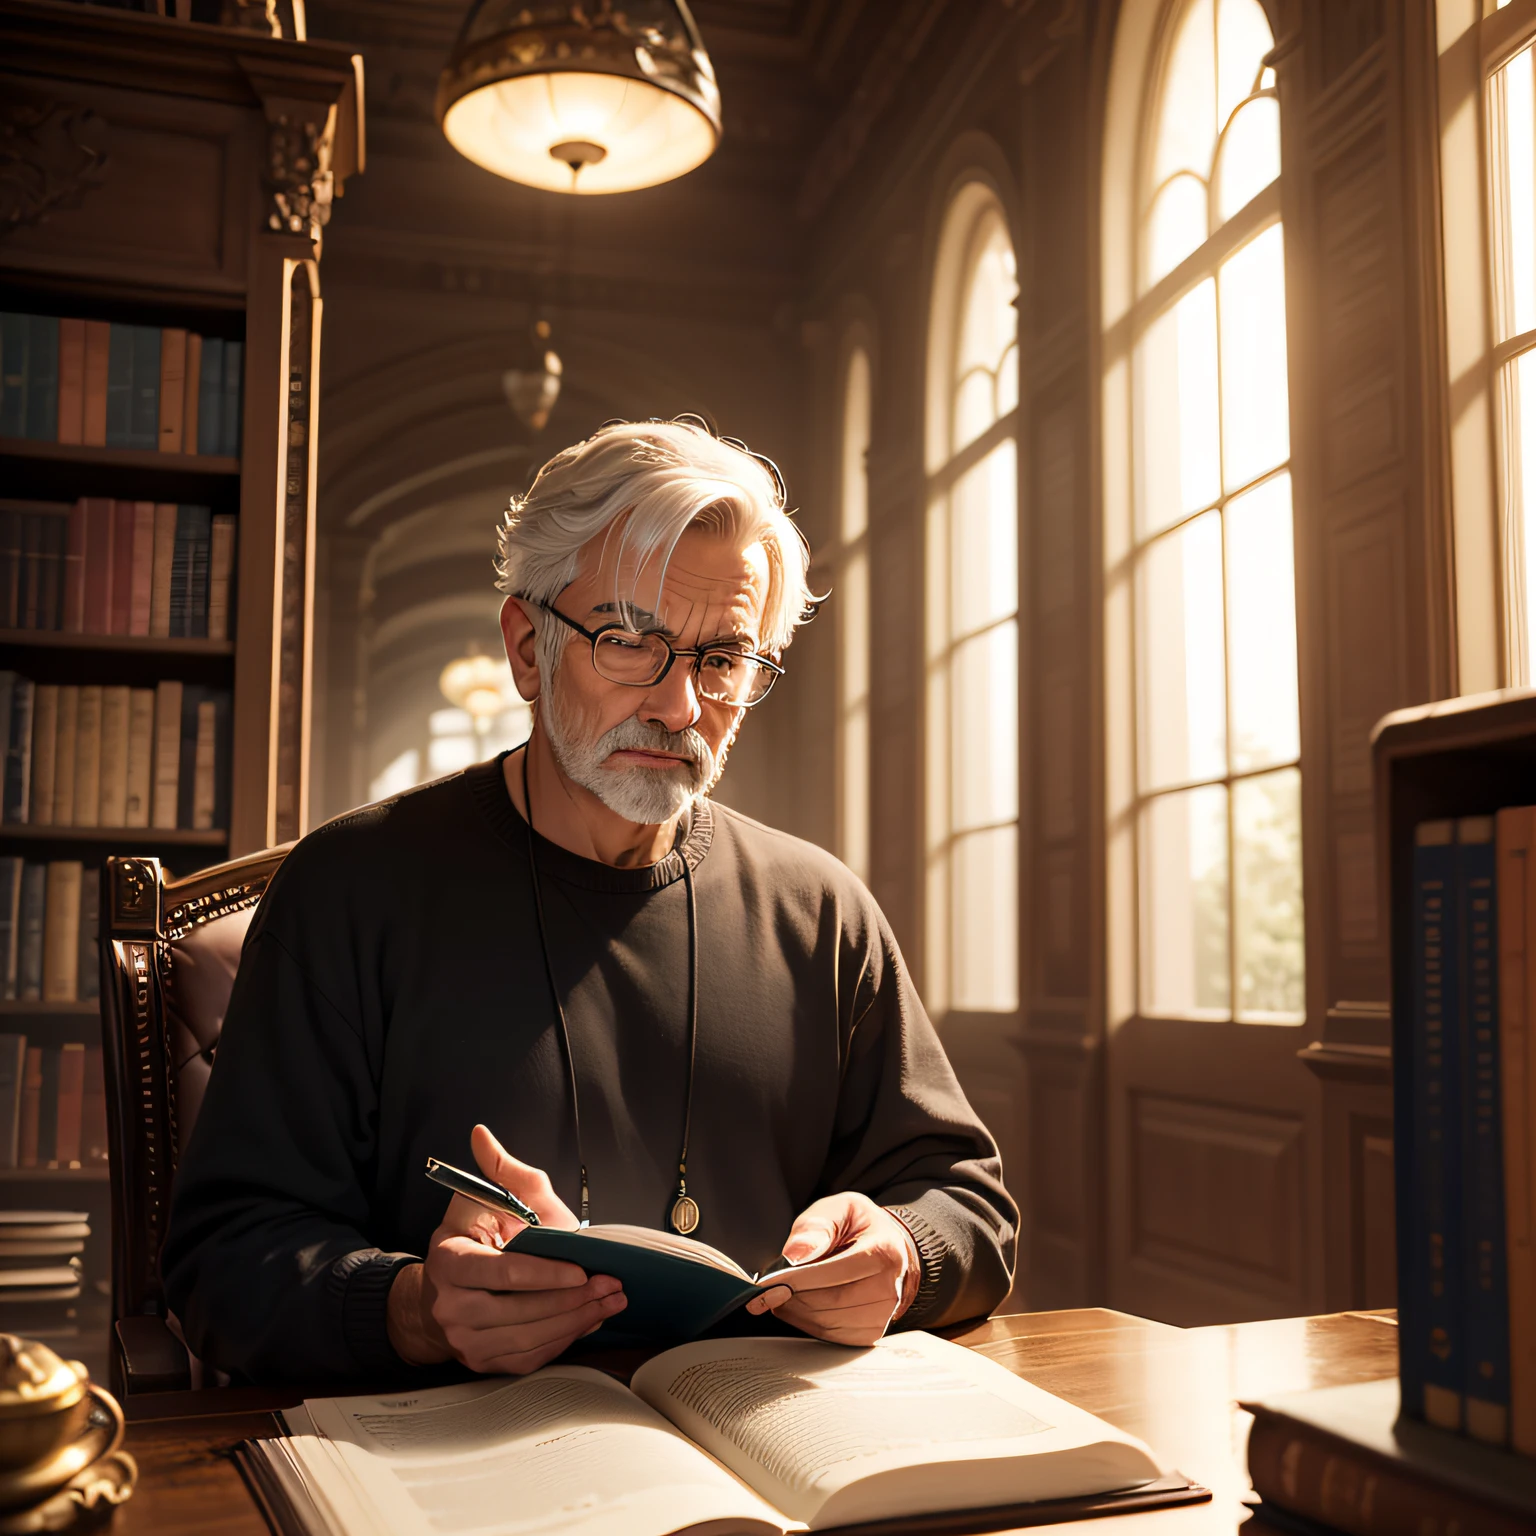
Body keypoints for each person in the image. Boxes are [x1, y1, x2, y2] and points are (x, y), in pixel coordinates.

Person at [162, 417, 1017, 1383]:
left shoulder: (821, 911)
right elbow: (219, 1265)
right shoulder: (349, 889)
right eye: (629, 642)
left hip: (766, 1465)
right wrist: (411, 1309)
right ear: (527, 650)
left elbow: (969, 1207)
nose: (680, 706)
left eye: (723, 658)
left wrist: (904, 1253)